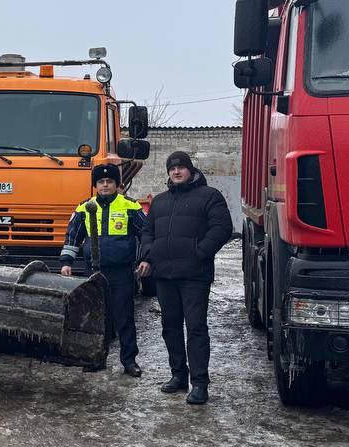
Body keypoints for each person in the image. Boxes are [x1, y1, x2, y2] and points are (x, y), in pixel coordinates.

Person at [135, 150, 232, 405]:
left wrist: (199, 252)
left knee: (197, 328)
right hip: (165, 275)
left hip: (194, 276)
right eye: (172, 168)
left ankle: (199, 383)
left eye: (181, 167)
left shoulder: (209, 196)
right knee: (171, 327)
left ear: (190, 170)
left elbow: (221, 228)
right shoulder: (160, 202)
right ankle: (178, 375)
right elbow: (147, 232)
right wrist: (147, 256)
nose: (176, 172)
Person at [60, 163, 147, 377]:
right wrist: (66, 262)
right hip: (94, 272)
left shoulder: (130, 207)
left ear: (117, 184)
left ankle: (129, 361)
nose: (105, 185)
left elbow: (146, 235)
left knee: (123, 317)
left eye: (109, 182)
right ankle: (95, 358)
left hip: (122, 272)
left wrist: (144, 259)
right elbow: (73, 237)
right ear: (95, 185)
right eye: (101, 182)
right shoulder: (84, 208)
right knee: (96, 318)